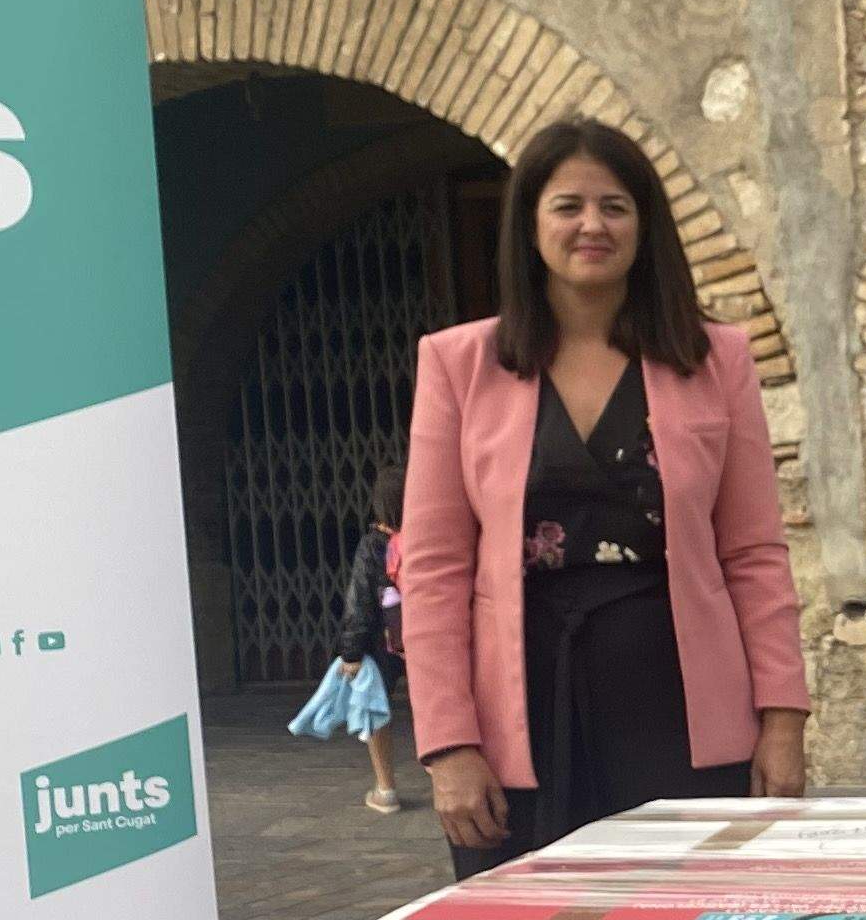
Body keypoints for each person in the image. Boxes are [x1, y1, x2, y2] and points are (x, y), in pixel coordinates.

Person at [400, 119, 809, 877]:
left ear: (644, 226)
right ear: (529, 224)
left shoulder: (714, 358)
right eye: (568, 205)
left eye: (615, 206)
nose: (593, 224)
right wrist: (448, 746)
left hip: (680, 710)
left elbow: (753, 553)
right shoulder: (458, 365)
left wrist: (783, 723)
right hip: (520, 718)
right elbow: (431, 572)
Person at [331, 464, 412, 814]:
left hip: (386, 640)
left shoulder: (374, 545)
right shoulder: (426, 535)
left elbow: (360, 601)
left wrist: (351, 652)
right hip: (428, 637)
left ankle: (386, 788)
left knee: (375, 706)